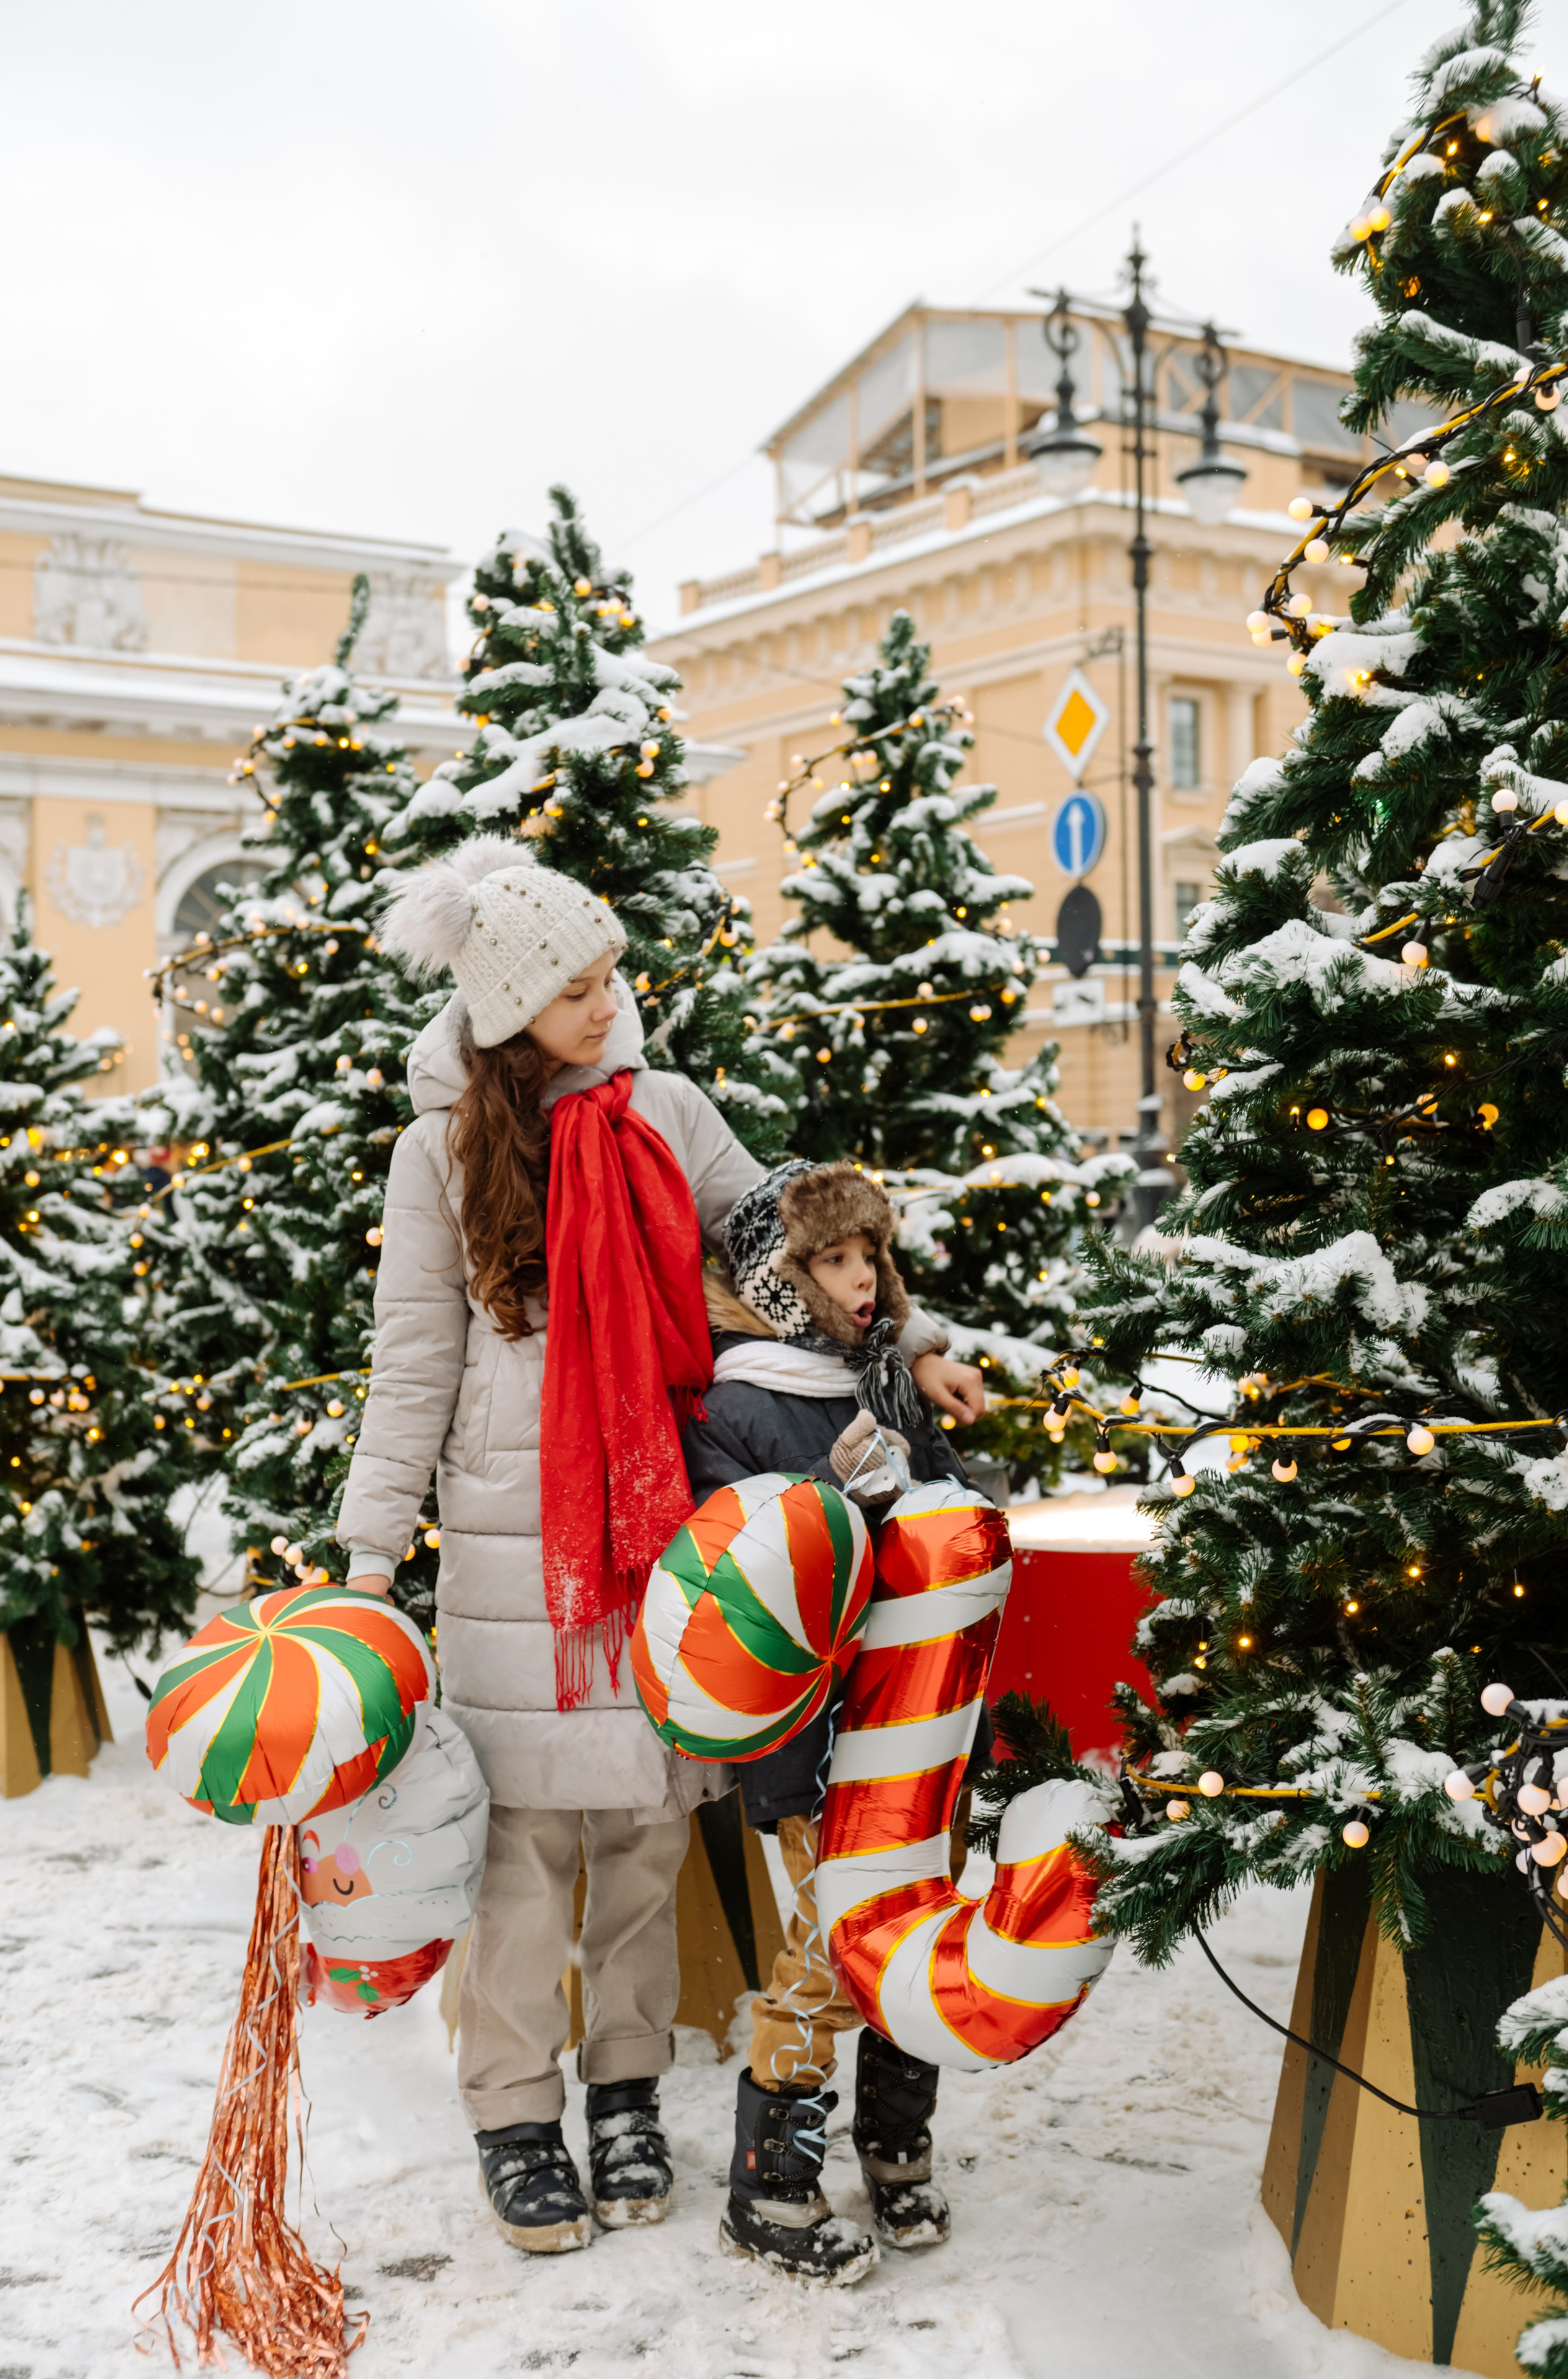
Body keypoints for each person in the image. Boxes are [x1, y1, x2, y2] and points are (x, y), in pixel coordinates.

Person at [335, 839, 978, 2262]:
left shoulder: (665, 1111)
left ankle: (624, 2094)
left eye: (606, 971)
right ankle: (513, 2112)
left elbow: (786, 1245)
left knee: (636, 1829)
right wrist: (371, 1549)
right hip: (512, 1533)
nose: (608, 997)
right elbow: (410, 1358)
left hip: (656, 1515)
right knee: (518, 1846)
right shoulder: (437, 1153)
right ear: (507, 1007)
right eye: (576, 984)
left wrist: (914, 1341)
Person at [678, 1160, 987, 2282]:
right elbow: (738, 1573)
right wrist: (843, 1515)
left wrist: (937, 1497)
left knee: (917, 1930)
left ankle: (897, 2146)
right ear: (779, 1273)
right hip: (815, 1746)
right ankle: (771, 2185)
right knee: (821, 1956)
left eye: (871, 1257)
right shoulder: (736, 1406)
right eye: (835, 1261)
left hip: (920, 1724)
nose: (863, 1283)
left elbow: (952, 1517)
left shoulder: (887, 1378)